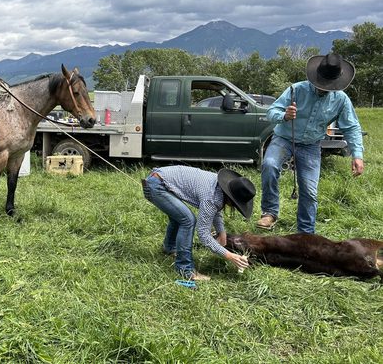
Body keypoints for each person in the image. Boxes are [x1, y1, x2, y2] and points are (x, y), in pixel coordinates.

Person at [257, 53, 364, 233]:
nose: (323, 89)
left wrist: (357, 155)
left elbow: (352, 127)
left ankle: (306, 234)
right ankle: (270, 212)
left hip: (311, 145)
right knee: (269, 165)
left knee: (309, 190)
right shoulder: (296, 90)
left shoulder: (341, 99)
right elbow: (271, 111)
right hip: (284, 139)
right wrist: (284, 115)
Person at [142, 166, 255, 281]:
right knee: (187, 220)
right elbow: (203, 234)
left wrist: (222, 232)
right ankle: (185, 269)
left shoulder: (219, 186)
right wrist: (230, 256)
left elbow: (216, 209)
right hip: (157, 186)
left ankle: (170, 247)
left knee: (180, 216)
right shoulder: (211, 197)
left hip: (159, 179)